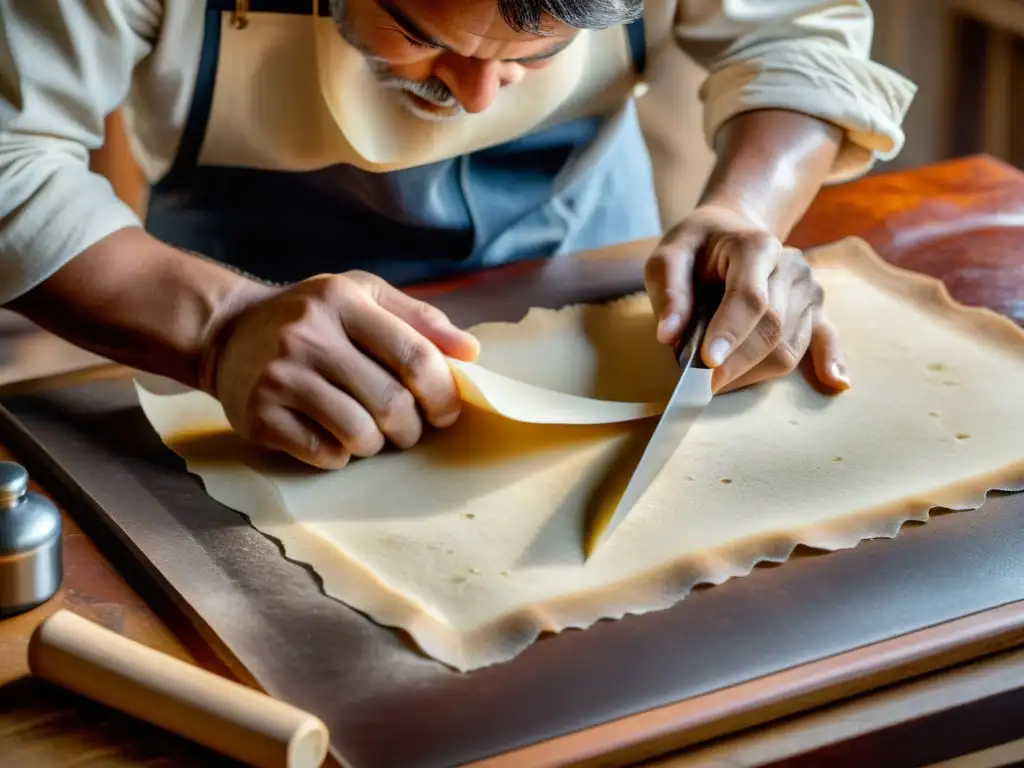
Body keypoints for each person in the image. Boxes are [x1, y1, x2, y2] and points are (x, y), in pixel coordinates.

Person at [0, 0, 915, 469]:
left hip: (592, 281)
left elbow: (801, 34)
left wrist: (743, 214)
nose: (476, 97)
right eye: (422, 33)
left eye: (537, 51)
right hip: (242, 302)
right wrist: (218, 329)